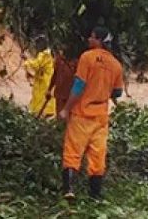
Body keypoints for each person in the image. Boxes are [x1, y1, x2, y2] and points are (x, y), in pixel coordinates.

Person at [58, 26, 124, 200]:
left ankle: (69, 190)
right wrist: (102, 88)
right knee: (97, 155)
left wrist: (66, 109)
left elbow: (78, 86)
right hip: (101, 115)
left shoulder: (87, 57)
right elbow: (117, 92)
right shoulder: (116, 64)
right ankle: (95, 195)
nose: (88, 39)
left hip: (82, 113)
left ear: (99, 41)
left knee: (73, 151)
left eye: (92, 37)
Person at [23, 35, 56, 118]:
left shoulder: (44, 54)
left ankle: (41, 114)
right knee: (39, 97)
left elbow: (36, 65)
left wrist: (26, 61)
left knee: (40, 97)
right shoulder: (46, 54)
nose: (36, 47)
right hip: (44, 79)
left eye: (37, 44)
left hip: (44, 81)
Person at [47, 50, 78, 116]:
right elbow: (54, 75)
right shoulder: (59, 60)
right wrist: (49, 90)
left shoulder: (76, 62)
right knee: (59, 116)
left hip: (69, 95)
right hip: (59, 93)